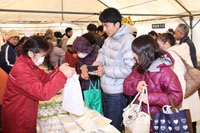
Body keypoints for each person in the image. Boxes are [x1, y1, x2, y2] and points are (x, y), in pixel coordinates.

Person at [1, 36, 75, 133]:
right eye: (42, 55)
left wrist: (58, 71)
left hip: (26, 111)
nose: (43, 59)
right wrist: (62, 76)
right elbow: (43, 93)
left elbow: (45, 78)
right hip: (18, 116)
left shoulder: (29, 64)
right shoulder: (21, 69)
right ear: (31, 53)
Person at [123, 35, 183, 132]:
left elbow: (177, 98)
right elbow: (125, 86)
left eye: (136, 52)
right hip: (139, 121)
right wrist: (136, 85)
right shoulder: (138, 68)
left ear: (145, 53)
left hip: (159, 122)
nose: (134, 55)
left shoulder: (165, 72)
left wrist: (150, 97)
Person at [92, 7, 135, 131]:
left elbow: (129, 69)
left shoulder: (128, 40)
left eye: (107, 26)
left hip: (118, 92)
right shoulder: (109, 39)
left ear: (117, 24)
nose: (104, 29)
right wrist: (98, 62)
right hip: (106, 89)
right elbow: (102, 52)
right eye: (103, 26)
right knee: (107, 124)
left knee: (114, 127)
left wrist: (105, 70)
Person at [157, 33, 200, 133]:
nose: (158, 48)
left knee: (184, 125)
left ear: (166, 44)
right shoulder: (181, 50)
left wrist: (176, 100)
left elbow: (178, 79)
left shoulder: (171, 55)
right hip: (189, 94)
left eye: (159, 45)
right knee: (190, 124)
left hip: (182, 98)